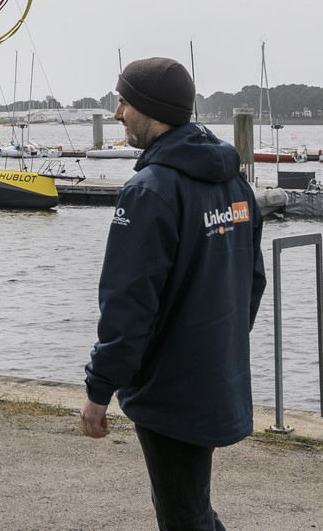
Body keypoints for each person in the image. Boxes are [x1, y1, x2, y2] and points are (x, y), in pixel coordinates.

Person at [79, 57, 265, 531]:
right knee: (191, 511)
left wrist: (100, 389)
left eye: (122, 102)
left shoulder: (150, 191)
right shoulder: (233, 182)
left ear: (149, 108)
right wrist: (217, 343)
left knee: (185, 517)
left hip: (170, 383)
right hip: (214, 373)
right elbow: (252, 281)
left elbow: (128, 306)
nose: (117, 113)